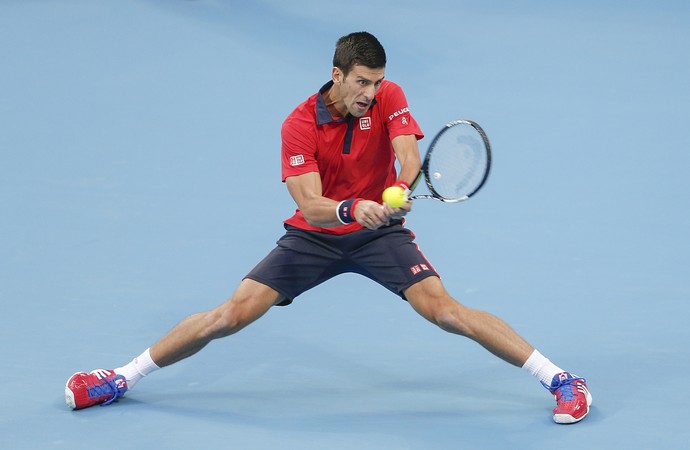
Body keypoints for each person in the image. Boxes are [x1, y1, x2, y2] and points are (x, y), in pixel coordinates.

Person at [65, 31, 592, 424]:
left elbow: (409, 154)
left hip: (379, 234)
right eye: (362, 82)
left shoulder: (388, 97)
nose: (371, 92)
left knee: (446, 311)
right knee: (229, 316)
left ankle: (561, 380)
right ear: (336, 75)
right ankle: (120, 378)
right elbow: (311, 204)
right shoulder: (298, 124)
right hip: (316, 235)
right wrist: (350, 209)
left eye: (377, 82)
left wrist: (403, 187)